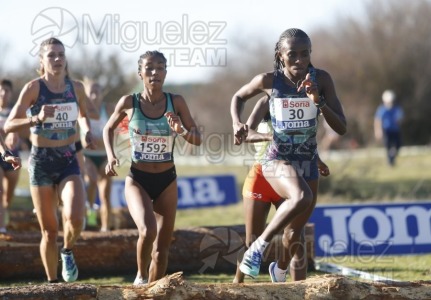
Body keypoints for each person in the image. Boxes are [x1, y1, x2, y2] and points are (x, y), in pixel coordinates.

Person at [230, 28, 346, 279]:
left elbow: (342, 127)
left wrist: (319, 101)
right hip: (275, 160)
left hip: (307, 162)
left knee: (295, 236)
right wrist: (236, 123)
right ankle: (259, 247)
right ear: (280, 55)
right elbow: (239, 96)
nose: (299, 60)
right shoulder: (269, 81)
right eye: (292, 54)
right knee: (301, 196)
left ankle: (280, 272)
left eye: (305, 54)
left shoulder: (322, 80)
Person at [103, 50, 202, 285]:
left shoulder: (176, 101)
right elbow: (108, 129)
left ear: (166, 73)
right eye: (149, 68)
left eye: (160, 67)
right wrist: (111, 156)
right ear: (140, 73)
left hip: (167, 180)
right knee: (147, 231)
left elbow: (197, 138)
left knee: (161, 249)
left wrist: (181, 131)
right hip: (138, 179)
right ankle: (140, 276)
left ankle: (154, 290)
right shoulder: (129, 102)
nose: (155, 72)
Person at [4, 37, 95, 283]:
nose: (57, 59)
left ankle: (67, 251)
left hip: (68, 160)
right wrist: (35, 119)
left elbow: (84, 114)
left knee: (76, 217)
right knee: (49, 230)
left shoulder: (75, 87)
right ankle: (53, 284)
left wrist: (86, 130)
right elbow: (9, 124)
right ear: (42, 61)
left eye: (61, 55)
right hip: (41, 162)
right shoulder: (34, 88)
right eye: (52, 55)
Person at [233, 96, 330, 283]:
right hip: (261, 175)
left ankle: (298, 290)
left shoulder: (303, 101)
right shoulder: (266, 101)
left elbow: (304, 138)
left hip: (289, 177)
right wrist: (271, 136)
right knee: (251, 241)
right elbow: (246, 134)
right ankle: (236, 286)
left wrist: (317, 159)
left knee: (296, 238)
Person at [83, 80, 113, 231]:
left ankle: (106, 228)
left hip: (104, 156)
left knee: (106, 194)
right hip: (87, 155)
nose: (94, 96)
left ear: (102, 94)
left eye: (97, 92)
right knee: (92, 180)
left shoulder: (106, 109)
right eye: (91, 93)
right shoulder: (83, 110)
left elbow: (115, 132)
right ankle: (89, 212)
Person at [0, 79, 22, 233]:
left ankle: (5, 212)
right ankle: (1, 228)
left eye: (6, 90)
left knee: (8, 196)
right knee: (0, 191)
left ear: (11, 93)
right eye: (0, 90)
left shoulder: (16, 111)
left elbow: (25, 129)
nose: (3, 93)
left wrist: (14, 132)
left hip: (14, 157)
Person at [374, 89, 403, 166]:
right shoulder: (382, 109)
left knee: (398, 146)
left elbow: (400, 118)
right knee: (388, 146)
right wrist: (378, 131)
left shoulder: (396, 108)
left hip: (396, 130)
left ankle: (392, 157)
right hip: (386, 130)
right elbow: (378, 120)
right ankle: (390, 161)